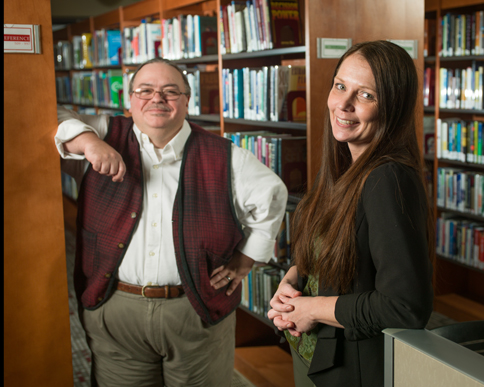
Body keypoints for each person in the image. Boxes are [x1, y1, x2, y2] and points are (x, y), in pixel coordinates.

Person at [55, 58, 288, 387]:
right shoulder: (104, 133)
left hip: (196, 312)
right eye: (145, 90)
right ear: (129, 100)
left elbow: (273, 194)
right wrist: (90, 144)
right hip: (115, 307)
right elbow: (51, 113)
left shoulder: (225, 155)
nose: (157, 98)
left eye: (170, 91)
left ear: (187, 99)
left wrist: (246, 259)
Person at [267, 40, 434, 386]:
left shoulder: (386, 179)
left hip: (354, 370)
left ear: (393, 107)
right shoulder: (344, 166)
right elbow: (332, 244)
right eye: (340, 86)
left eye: (366, 95)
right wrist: (292, 281)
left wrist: (310, 309)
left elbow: (405, 306)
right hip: (317, 353)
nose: (343, 104)